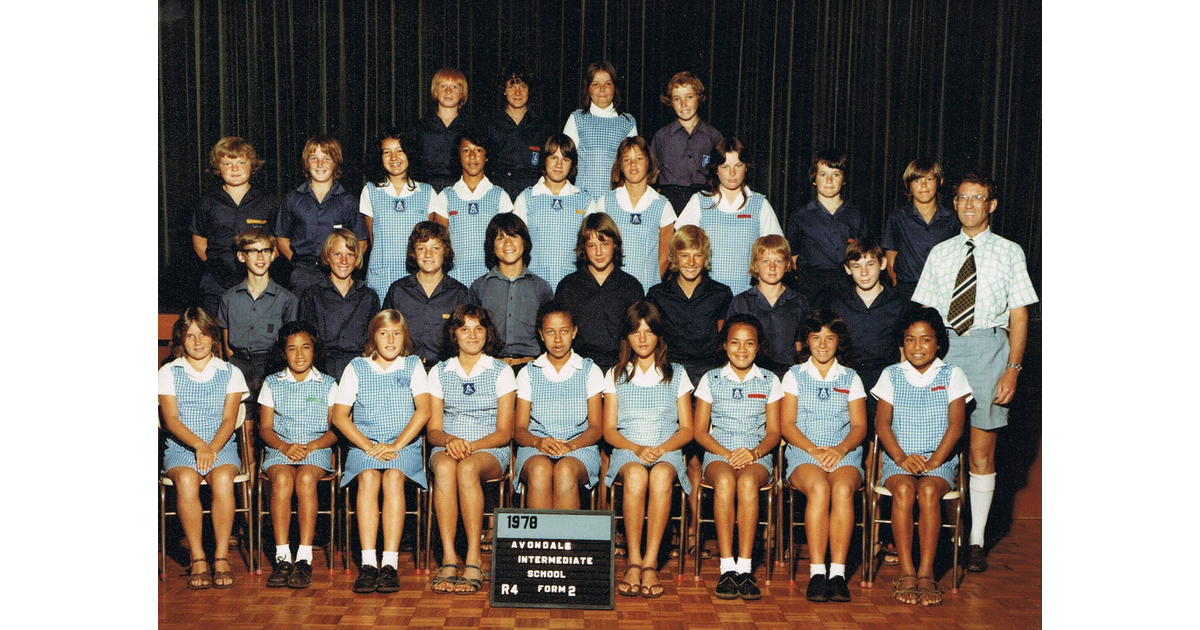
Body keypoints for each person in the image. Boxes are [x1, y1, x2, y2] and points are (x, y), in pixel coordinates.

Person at [912, 174, 1037, 573]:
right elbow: (923, 314)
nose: (969, 205)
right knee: (937, 443)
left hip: (988, 349)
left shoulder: (1010, 252)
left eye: (977, 199)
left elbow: (1020, 313)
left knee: (981, 452)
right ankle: (939, 533)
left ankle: (976, 540)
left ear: (991, 205)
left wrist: (1013, 369)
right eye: (963, 198)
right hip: (943, 350)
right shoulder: (941, 252)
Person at [872, 308, 971, 606]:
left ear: (938, 343)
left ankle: (926, 572)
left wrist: (935, 462)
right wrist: (901, 458)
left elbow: (956, 425)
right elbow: (882, 424)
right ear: (903, 343)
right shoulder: (891, 374)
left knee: (928, 490)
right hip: (898, 459)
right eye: (910, 340)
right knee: (903, 489)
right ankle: (906, 571)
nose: (917, 347)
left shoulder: (952, 374)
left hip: (938, 460)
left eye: (925, 340)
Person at [332, 310, 430, 594]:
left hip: (403, 445)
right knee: (368, 478)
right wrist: (367, 446)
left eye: (397, 334)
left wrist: (396, 445)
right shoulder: (356, 367)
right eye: (384, 333)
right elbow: (340, 416)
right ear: (373, 336)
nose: (391, 340)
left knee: (392, 478)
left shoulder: (412, 365)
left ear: (405, 337)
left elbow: (423, 411)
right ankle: (367, 563)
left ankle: (389, 563)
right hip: (366, 443)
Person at [603, 300, 694, 599]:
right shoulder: (616, 374)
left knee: (660, 477)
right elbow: (609, 430)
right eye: (635, 331)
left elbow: (687, 429)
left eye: (649, 331)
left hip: (666, 449)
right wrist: (637, 448)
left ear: (659, 335)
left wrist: (661, 448)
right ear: (626, 337)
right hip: (629, 450)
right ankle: (633, 559)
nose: (642, 338)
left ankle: (651, 562)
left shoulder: (677, 374)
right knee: (637, 477)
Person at [646, 225, 732, 535]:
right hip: (669, 380)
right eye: (685, 255)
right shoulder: (657, 294)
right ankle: (664, 527)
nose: (692, 262)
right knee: (665, 454)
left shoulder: (721, 293)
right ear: (673, 258)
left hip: (707, 379)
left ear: (705, 258)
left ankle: (695, 528)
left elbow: (725, 343)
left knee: (697, 458)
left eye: (697, 255)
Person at [426, 304, 517, 594]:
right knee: (443, 467)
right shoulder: (439, 371)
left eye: (478, 328)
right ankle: (450, 557)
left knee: (467, 467)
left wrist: (472, 446)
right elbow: (434, 430)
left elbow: (505, 432)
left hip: (489, 448)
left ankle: (474, 558)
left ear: (487, 332)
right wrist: (450, 442)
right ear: (454, 333)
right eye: (464, 328)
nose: (472, 335)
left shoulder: (501, 371)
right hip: (448, 446)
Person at [158, 307, 250, 589]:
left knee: (223, 479)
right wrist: (198, 445)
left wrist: (210, 447)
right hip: (182, 446)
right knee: (187, 480)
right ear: (181, 340)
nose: (198, 341)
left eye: (204, 334)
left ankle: (221, 555)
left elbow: (228, 418)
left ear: (214, 338)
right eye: (190, 336)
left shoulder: (230, 372)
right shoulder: (168, 372)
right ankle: (198, 557)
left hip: (220, 444)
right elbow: (171, 420)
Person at [693, 314, 782, 601]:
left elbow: (773, 433)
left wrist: (753, 453)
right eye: (735, 343)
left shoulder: (770, 380)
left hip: (756, 454)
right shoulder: (711, 379)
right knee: (726, 482)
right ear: (725, 345)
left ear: (758, 347)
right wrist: (726, 453)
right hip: (719, 452)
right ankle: (726, 567)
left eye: (749, 343)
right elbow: (700, 431)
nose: (741, 350)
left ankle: (745, 568)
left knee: (746, 484)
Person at [779, 309, 867, 603]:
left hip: (844, 452)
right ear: (806, 342)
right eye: (816, 338)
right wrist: (813, 450)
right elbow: (787, 424)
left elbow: (859, 425)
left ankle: (838, 573)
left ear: (838, 341)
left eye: (829, 338)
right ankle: (818, 572)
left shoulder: (850, 377)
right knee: (818, 488)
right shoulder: (794, 375)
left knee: (841, 489)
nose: (823, 344)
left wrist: (841, 449)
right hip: (805, 451)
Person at [257, 321, 338, 589]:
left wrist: (312, 446)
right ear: (284, 353)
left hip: (315, 450)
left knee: (304, 479)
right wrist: (283, 447)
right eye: (292, 349)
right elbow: (265, 428)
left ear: (315, 350)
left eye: (305, 348)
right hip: (281, 449)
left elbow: (335, 430)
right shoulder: (273, 382)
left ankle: (303, 557)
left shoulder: (327, 383)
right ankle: (282, 557)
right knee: (282, 480)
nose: (300, 355)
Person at [513, 301, 605, 509]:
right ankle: (540, 541)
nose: (557, 339)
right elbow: (519, 429)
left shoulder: (589, 370)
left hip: (580, 446)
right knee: (540, 470)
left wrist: (571, 446)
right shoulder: (529, 372)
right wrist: (538, 442)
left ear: (574, 332)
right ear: (541, 334)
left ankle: (565, 540)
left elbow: (596, 428)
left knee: (565, 471)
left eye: (563, 331)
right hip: (536, 446)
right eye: (550, 332)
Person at [675, 136, 783, 292]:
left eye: (738, 165)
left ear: (746, 167)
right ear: (716, 169)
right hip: (707, 296)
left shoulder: (760, 204)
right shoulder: (699, 202)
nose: (732, 173)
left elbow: (776, 252)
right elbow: (681, 249)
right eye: (725, 167)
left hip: (747, 295)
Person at [825, 238, 912, 422]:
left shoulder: (899, 303)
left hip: (885, 379)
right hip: (847, 379)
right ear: (848, 269)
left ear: (882, 263)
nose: (864, 272)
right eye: (857, 266)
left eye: (870, 264)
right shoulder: (837, 304)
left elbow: (904, 352)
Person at [191, 136, 279, 315]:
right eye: (227, 164)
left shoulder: (268, 201)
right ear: (218, 168)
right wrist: (217, 269)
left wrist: (259, 269)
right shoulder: (207, 202)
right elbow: (199, 241)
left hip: (258, 282)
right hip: (216, 284)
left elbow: (278, 241)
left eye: (241, 162)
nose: (235, 169)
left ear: (252, 165)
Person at [276, 134, 367, 296]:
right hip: (303, 274)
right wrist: (297, 264)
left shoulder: (349, 202)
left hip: (337, 273)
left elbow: (361, 242)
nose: (320, 164)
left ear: (335, 163)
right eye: (313, 158)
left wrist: (343, 266)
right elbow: (281, 238)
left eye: (326, 159)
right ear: (306, 164)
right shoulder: (292, 199)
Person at [553, 212, 644, 372]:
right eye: (592, 246)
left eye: (604, 244)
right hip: (578, 368)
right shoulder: (568, 285)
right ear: (583, 247)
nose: (599, 252)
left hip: (621, 368)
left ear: (615, 244)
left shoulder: (631, 286)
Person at [218, 229, 298, 405]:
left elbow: (290, 343)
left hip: (271, 368)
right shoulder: (229, 298)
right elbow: (227, 346)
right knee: (242, 419)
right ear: (241, 256)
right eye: (253, 251)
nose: (260, 257)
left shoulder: (287, 299)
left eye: (266, 251)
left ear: (273, 255)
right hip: (239, 367)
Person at [467, 213, 553, 368]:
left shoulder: (541, 287)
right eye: (500, 238)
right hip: (490, 367)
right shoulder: (479, 287)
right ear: (492, 246)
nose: (507, 243)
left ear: (524, 242)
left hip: (530, 368)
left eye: (513, 236)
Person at [430, 128, 515, 285]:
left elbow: (509, 242)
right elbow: (440, 244)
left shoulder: (500, 196)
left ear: (487, 156)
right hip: (456, 277)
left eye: (478, 150)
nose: (472, 156)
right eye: (466, 150)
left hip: (492, 278)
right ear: (459, 156)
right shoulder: (446, 196)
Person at [592, 136, 677, 292]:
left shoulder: (662, 204)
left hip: (647, 288)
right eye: (626, 160)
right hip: (613, 290)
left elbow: (665, 256)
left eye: (639, 158)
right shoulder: (605, 203)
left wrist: (649, 288)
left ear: (648, 162)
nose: (633, 165)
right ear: (620, 166)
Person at [510, 134, 594, 291]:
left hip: (574, 286)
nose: (559, 165)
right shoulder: (527, 197)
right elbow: (516, 245)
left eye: (565, 159)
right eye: (554, 157)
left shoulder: (585, 200)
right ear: (544, 159)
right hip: (533, 285)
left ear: (572, 164)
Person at [784, 149, 867, 305]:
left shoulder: (857, 215)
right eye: (823, 174)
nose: (829, 180)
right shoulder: (800, 216)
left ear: (843, 180)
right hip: (810, 289)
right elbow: (792, 257)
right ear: (814, 179)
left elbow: (864, 255)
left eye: (835, 174)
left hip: (846, 287)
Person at [361, 128, 436, 299]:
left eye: (400, 151)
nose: (393, 158)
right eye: (387, 152)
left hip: (415, 275)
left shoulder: (427, 192)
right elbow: (373, 238)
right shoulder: (370, 191)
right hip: (381, 274)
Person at [296, 229, 380, 381]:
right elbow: (305, 341)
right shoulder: (312, 295)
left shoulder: (369, 297)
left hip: (360, 369)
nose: (344, 261)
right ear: (328, 257)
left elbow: (374, 342)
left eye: (350, 255)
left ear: (356, 259)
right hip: (322, 369)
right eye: (337, 254)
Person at [381, 221, 468, 366]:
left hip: (446, 371)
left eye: (435, 248)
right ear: (414, 253)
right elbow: (383, 333)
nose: (428, 254)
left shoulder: (459, 293)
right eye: (422, 248)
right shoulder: (398, 291)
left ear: (445, 251)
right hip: (405, 369)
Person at [725, 235, 806, 376]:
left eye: (778, 261)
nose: (772, 267)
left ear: (787, 265)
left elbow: (800, 345)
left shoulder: (798, 302)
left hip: (787, 375)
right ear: (755, 265)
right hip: (751, 373)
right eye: (765, 261)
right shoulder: (741, 302)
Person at [881, 158, 960, 300]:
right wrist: (895, 282)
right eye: (917, 180)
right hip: (906, 291)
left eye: (929, 179)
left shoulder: (952, 218)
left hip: (941, 291)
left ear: (939, 181)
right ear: (909, 185)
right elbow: (891, 254)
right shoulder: (898, 217)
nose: (923, 185)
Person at [562, 60, 638, 197]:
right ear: (588, 88)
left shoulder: (628, 122)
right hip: (582, 196)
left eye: (608, 84)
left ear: (615, 87)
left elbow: (633, 165)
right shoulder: (576, 118)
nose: (602, 89)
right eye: (596, 84)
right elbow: (565, 160)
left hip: (616, 197)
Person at [650, 71, 722, 213]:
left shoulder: (713, 136)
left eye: (689, 97)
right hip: (672, 200)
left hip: (704, 199)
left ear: (698, 97)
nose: (683, 104)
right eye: (677, 99)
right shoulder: (661, 137)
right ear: (670, 102)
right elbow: (651, 174)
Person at [486, 66, 553, 199]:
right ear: (504, 90)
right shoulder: (491, 124)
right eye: (511, 87)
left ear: (529, 90)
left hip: (533, 192)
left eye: (522, 86)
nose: (517, 93)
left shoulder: (542, 126)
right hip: (500, 192)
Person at [417, 67, 471, 192]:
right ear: (435, 91)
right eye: (443, 86)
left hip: (461, 190)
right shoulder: (420, 127)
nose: (448, 91)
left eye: (454, 87)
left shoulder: (470, 127)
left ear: (462, 93)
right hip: (427, 190)